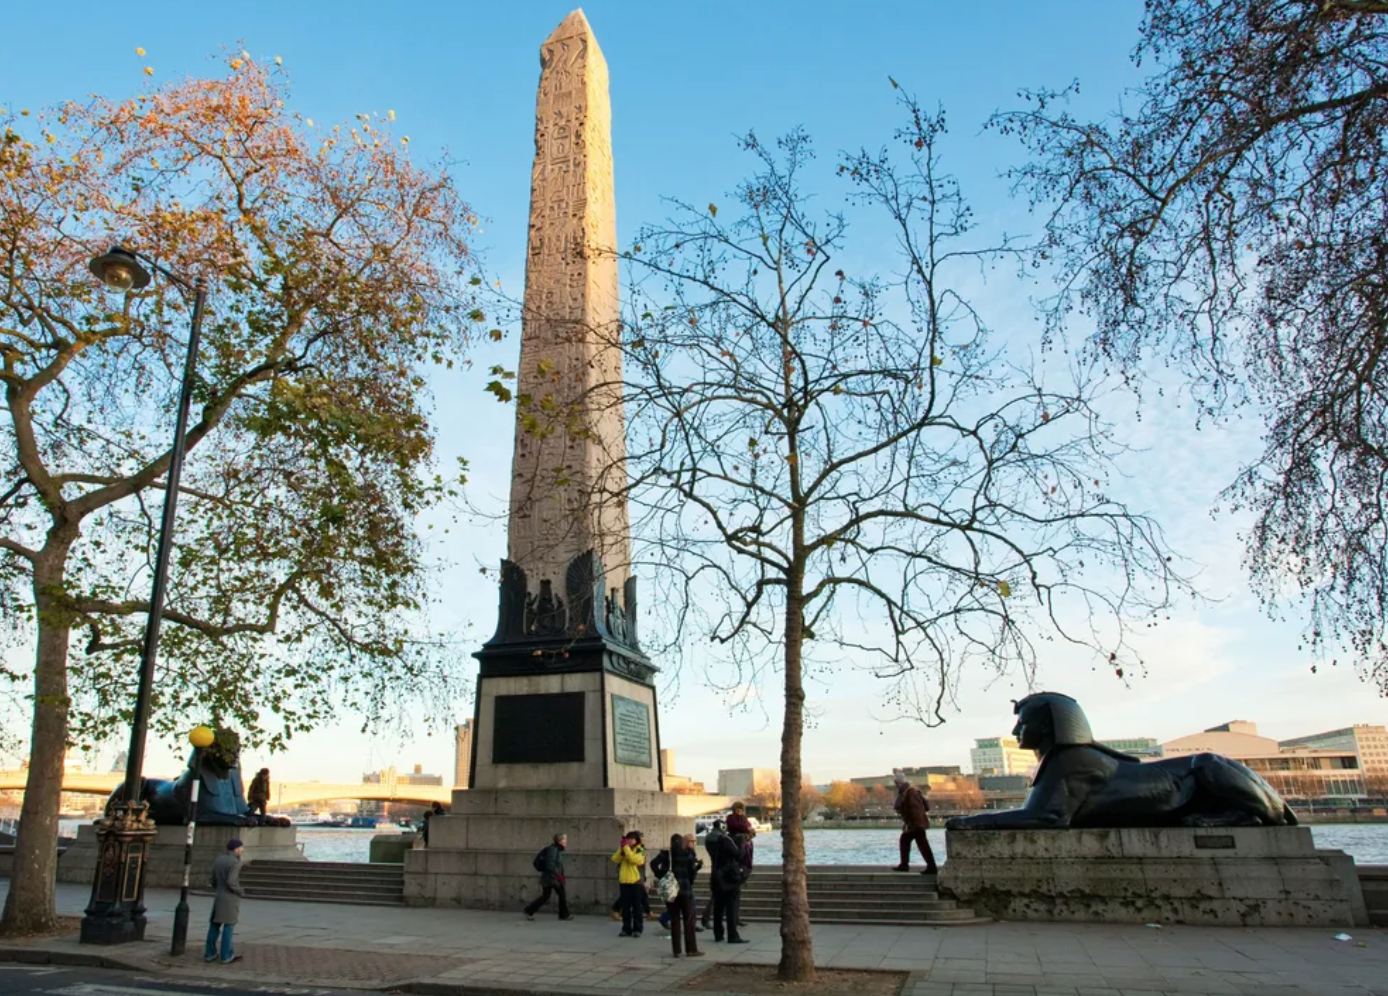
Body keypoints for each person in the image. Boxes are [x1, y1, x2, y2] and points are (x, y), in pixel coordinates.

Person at [651, 833, 704, 957]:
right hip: (685, 890)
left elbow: (653, 864)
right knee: (689, 919)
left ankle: (676, 951)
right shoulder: (688, 854)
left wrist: (661, 875)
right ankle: (691, 949)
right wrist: (693, 874)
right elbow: (692, 873)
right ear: (682, 843)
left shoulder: (665, 854)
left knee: (674, 920)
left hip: (671, 891)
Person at [205, 838, 245, 964]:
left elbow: (212, 879)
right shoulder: (234, 862)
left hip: (219, 895)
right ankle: (226, 955)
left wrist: (218, 888)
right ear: (236, 849)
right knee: (229, 926)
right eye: (241, 847)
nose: (242, 850)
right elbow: (231, 881)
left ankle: (209, 953)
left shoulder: (219, 859)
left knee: (214, 925)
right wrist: (240, 891)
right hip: (229, 898)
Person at [891, 769, 938, 875]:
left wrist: (915, 823)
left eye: (896, 783)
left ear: (899, 783)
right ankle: (928, 866)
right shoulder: (910, 791)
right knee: (916, 843)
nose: (896, 785)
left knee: (916, 843)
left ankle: (908, 865)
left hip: (915, 824)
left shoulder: (910, 792)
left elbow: (916, 809)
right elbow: (925, 807)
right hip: (914, 824)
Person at [708, 820, 747, 943]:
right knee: (731, 907)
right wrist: (741, 843)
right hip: (728, 877)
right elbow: (739, 855)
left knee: (718, 908)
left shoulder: (709, 839)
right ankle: (732, 935)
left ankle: (718, 934)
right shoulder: (725, 840)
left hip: (716, 875)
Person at [524, 832, 574, 921]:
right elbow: (550, 866)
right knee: (558, 895)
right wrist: (559, 877)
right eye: (564, 839)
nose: (566, 841)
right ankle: (563, 915)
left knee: (547, 896)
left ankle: (529, 910)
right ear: (559, 841)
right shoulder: (554, 850)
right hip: (551, 878)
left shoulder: (557, 849)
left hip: (552, 877)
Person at [610, 830, 646, 937]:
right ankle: (626, 928)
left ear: (636, 840)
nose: (630, 841)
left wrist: (626, 849)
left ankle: (637, 929)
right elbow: (614, 859)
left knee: (636, 907)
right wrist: (622, 849)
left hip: (635, 882)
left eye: (632, 839)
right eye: (628, 839)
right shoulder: (624, 849)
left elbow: (635, 860)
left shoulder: (640, 849)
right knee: (625, 907)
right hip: (624, 881)